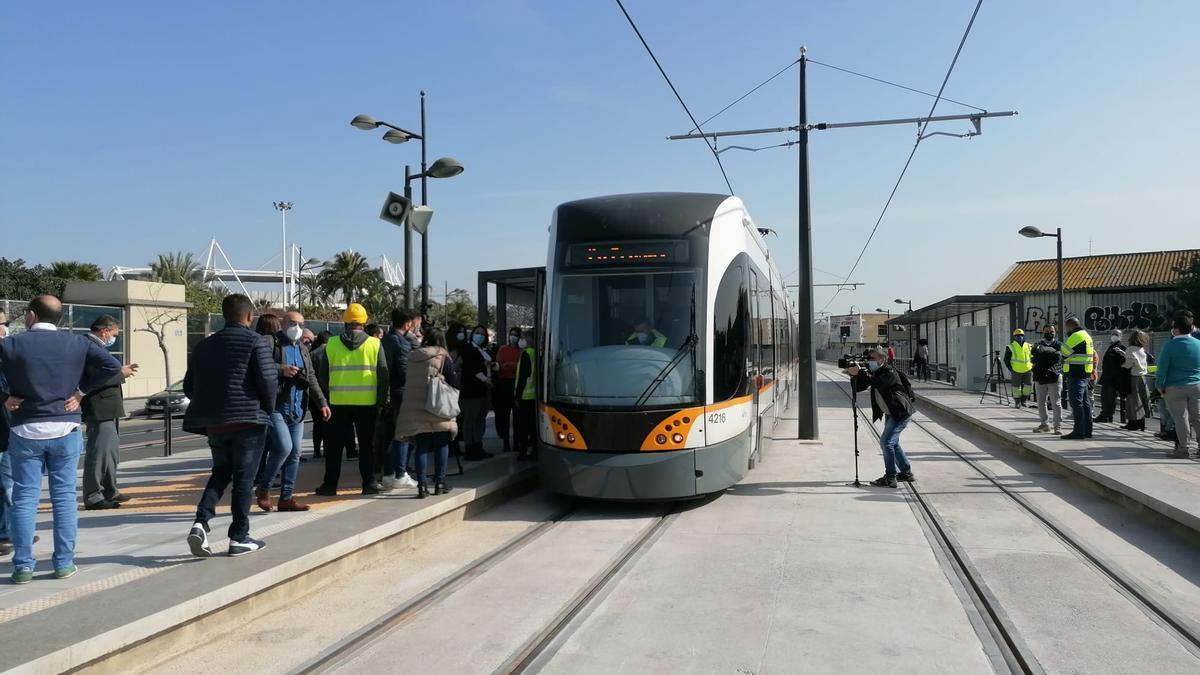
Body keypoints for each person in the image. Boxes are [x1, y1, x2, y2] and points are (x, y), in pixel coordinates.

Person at [0, 296, 122, 582]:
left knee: (24, 497)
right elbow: (111, 368)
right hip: (65, 427)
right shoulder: (77, 343)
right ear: (58, 318)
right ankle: (63, 563)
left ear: (30, 315)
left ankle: (23, 566)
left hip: (25, 428)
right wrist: (80, 392)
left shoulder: (11, 344)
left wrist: (5, 397)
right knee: (64, 497)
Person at [183, 294, 277, 558]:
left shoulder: (204, 346)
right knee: (244, 480)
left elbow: (189, 385)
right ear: (249, 316)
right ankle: (239, 537)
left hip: (216, 423)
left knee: (220, 472)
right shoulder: (255, 342)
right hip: (248, 420)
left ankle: (201, 522)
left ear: (225, 316)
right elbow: (268, 382)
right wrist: (266, 409)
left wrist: (213, 406)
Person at [254, 311, 330, 512]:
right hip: (276, 407)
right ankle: (264, 488)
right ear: (283, 323)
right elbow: (258, 366)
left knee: (294, 453)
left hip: (297, 409)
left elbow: (311, 377)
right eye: (292, 323)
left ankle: (286, 498)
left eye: (300, 323)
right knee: (284, 448)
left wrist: (322, 402)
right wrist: (282, 370)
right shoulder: (269, 342)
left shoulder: (303, 349)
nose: (296, 327)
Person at [314, 304, 389, 496]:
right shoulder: (375, 344)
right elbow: (383, 375)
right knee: (367, 446)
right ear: (364, 322)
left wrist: (329, 395)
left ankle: (330, 485)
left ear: (346, 322)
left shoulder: (331, 344)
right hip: (367, 404)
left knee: (334, 447)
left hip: (337, 403)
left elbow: (322, 375)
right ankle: (369, 483)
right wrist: (380, 401)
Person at [395, 329, 460, 498]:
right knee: (441, 444)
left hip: (415, 407)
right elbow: (454, 382)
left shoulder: (413, 357)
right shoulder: (443, 356)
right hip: (438, 405)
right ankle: (439, 482)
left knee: (421, 447)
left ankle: (422, 486)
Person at [80, 315, 137, 510]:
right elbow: (94, 379)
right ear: (104, 330)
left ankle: (109, 489)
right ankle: (93, 495)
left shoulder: (97, 347)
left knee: (110, 452)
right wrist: (121, 374)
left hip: (107, 407)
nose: (114, 338)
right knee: (99, 452)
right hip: (99, 407)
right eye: (114, 334)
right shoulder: (90, 347)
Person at [848, 347, 916, 488]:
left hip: (900, 413)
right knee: (893, 442)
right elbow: (860, 387)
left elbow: (879, 383)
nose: (869, 361)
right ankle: (906, 472)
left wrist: (861, 372)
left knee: (886, 442)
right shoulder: (875, 372)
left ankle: (890, 478)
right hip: (891, 412)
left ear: (882, 359)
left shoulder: (889, 372)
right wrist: (854, 375)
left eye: (873, 358)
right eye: (869, 358)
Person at [382, 308, 421, 490]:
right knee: (403, 434)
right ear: (407, 324)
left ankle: (389, 473)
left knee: (390, 435)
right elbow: (406, 371)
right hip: (401, 392)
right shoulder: (402, 343)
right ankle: (401, 473)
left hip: (388, 393)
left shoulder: (386, 339)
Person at [1156, 312, 1200, 458]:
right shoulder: (1198, 344)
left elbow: (1162, 368)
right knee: (1197, 417)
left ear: (1176, 329)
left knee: (1181, 418)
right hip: (1196, 385)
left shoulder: (1169, 345)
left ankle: (1183, 449)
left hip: (1174, 387)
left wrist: (1159, 385)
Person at [460, 325, 495, 461]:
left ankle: (478, 446)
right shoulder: (469, 349)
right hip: (472, 391)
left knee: (480, 419)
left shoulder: (483, 350)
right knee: (470, 420)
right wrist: (486, 379)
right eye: (477, 333)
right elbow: (472, 369)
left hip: (483, 390)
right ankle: (470, 448)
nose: (480, 335)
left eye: (482, 334)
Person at [1059, 317, 1095, 440]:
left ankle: (1078, 431)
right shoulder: (1086, 335)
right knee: (1085, 403)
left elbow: (1064, 351)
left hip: (1076, 373)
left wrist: (1062, 345)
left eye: (1065, 328)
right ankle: (1087, 430)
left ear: (1070, 326)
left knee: (1076, 402)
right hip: (1085, 373)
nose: (1065, 330)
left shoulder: (1076, 336)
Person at [492, 327, 522, 453]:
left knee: (517, 416)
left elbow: (520, 366)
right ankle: (505, 442)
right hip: (504, 384)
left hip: (516, 384)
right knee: (504, 414)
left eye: (516, 335)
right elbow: (499, 365)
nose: (513, 337)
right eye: (512, 334)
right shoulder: (503, 349)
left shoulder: (522, 351)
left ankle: (516, 442)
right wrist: (510, 366)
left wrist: (508, 365)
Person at [1030, 326, 1063, 434]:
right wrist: (1050, 356)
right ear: (1043, 332)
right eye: (1047, 331)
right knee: (1041, 402)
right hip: (1040, 377)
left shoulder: (1059, 345)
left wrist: (1042, 357)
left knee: (1056, 403)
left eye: (1052, 331)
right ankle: (1045, 424)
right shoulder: (1037, 344)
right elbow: (1033, 358)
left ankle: (1057, 427)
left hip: (1055, 377)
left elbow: (1061, 358)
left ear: (1055, 332)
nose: (1049, 333)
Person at [513, 328, 538, 460]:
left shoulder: (526, 354)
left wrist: (517, 396)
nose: (521, 340)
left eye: (523, 337)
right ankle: (534, 451)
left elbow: (522, 377)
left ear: (529, 340)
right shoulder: (536, 353)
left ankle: (523, 453)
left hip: (524, 396)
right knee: (533, 426)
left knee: (523, 427)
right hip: (534, 395)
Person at [1095, 329, 1128, 423]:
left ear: (1121, 336)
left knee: (1110, 399)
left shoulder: (1121, 348)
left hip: (1114, 379)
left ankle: (1108, 416)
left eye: (1116, 334)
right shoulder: (1111, 346)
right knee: (1104, 398)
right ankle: (1104, 415)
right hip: (1106, 377)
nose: (1114, 335)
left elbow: (1125, 362)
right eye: (1113, 334)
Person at [309, 330, 333, 458]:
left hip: (313, 394)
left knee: (316, 423)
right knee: (328, 422)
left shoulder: (312, 354)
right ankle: (328, 448)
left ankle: (316, 450)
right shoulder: (332, 353)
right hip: (328, 393)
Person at [1122, 330, 1151, 431]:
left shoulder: (1130, 349)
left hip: (1133, 377)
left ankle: (1133, 423)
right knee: (1143, 400)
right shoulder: (1142, 349)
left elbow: (1129, 364)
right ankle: (1141, 423)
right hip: (1143, 377)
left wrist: (1122, 365)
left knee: (1133, 400)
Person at [1003, 329, 1033, 408]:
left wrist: (1032, 366)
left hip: (1028, 370)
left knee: (1028, 386)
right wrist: (1011, 369)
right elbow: (1006, 360)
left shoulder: (1029, 346)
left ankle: (1024, 401)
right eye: (1017, 336)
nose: (1020, 337)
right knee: (1016, 388)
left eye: (1021, 335)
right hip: (1016, 370)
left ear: (1024, 336)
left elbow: (1033, 357)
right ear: (1014, 337)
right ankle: (1017, 402)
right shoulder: (1010, 347)